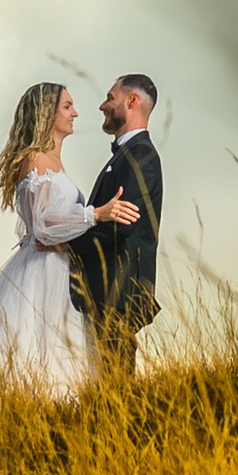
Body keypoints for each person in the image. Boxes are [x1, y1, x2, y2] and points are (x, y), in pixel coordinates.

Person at [0, 82, 141, 394]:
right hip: (43, 270)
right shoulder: (35, 159)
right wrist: (95, 214)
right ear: (47, 113)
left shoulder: (55, 163)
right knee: (36, 349)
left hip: (63, 266)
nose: (75, 113)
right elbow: (43, 224)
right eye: (67, 107)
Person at [69, 72, 164, 376]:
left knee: (116, 385)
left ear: (132, 100)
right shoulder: (126, 155)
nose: (102, 105)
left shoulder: (141, 156)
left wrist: (67, 245)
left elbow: (121, 225)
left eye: (110, 97)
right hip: (108, 291)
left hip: (118, 291)